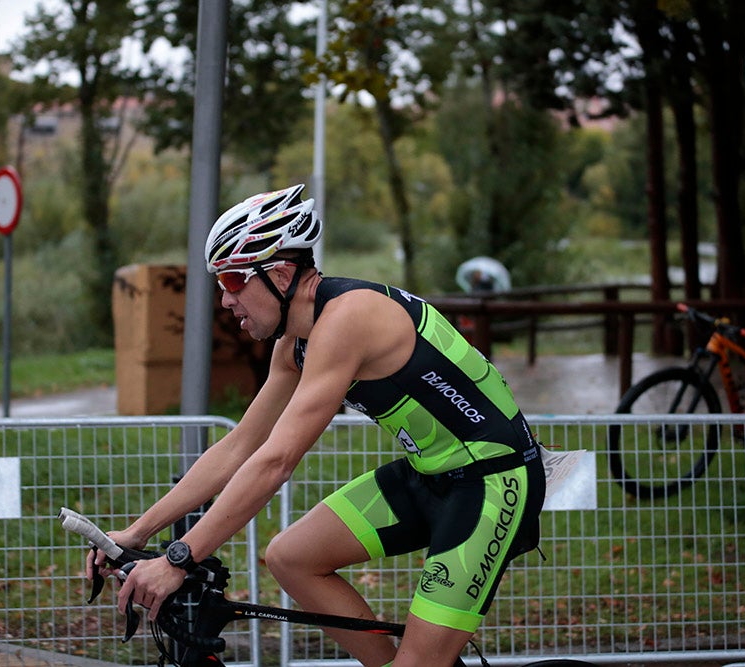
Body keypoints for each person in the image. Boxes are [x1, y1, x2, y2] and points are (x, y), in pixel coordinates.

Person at [89, 184, 545, 667]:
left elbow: (276, 461)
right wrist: (137, 532)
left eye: (233, 280)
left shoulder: (349, 317)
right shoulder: (294, 342)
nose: (225, 300)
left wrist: (180, 558)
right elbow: (240, 445)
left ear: (281, 274)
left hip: (494, 481)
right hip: (430, 474)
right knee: (291, 556)